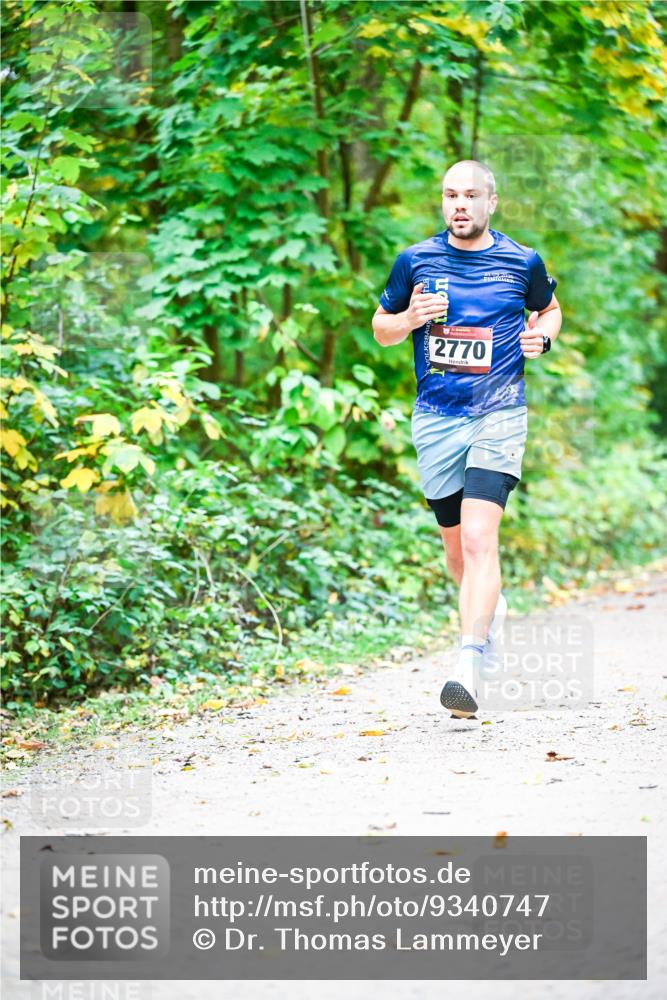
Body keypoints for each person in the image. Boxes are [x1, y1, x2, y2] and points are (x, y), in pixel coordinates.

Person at [372, 159, 562, 718]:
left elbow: (549, 311)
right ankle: (488, 606)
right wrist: (409, 317)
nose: (460, 204)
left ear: (490, 203)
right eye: (451, 194)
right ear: (443, 202)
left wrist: (541, 340)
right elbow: (381, 330)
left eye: (471, 195)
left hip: (499, 414)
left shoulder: (521, 261)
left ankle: (470, 664)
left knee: (480, 540)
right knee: (456, 552)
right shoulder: (416, 260)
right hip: (436, 419)